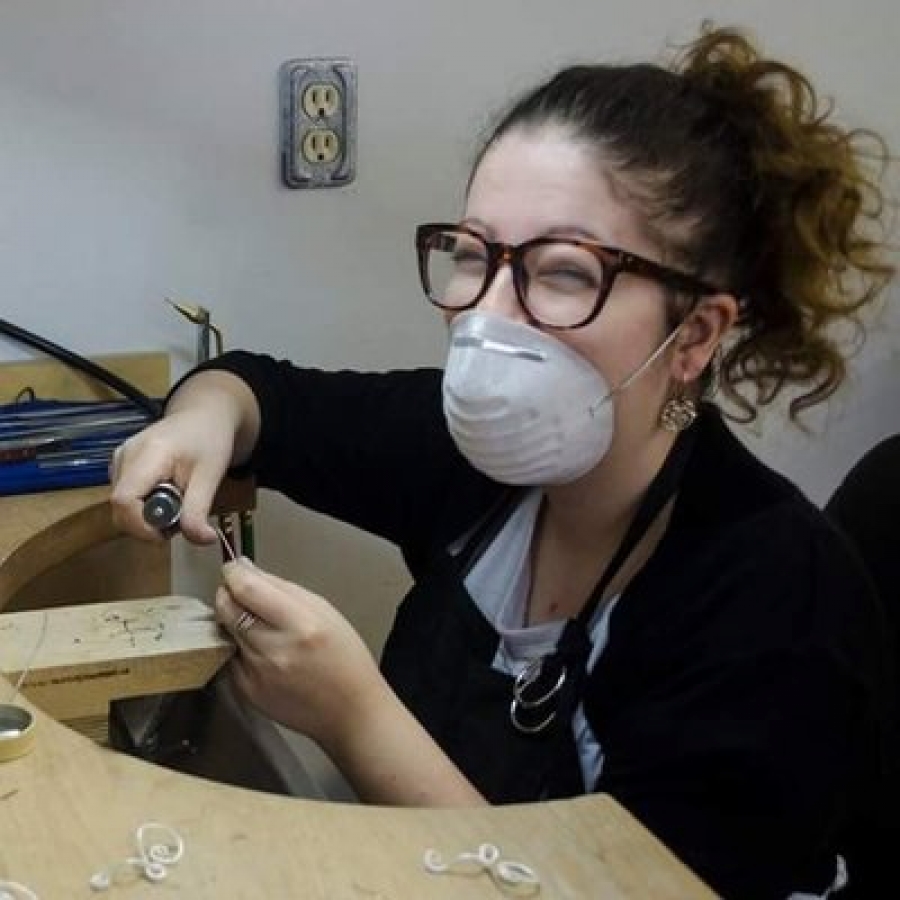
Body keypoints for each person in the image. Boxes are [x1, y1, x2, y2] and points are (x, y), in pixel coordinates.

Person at [109, 23, 897, 900]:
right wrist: (202, 421)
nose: (487, 314)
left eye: (563, 274)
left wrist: (355, 720)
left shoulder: (778, 598)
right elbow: (259, 392)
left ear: (695, 334)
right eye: (474, 256)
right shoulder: (477, 458)